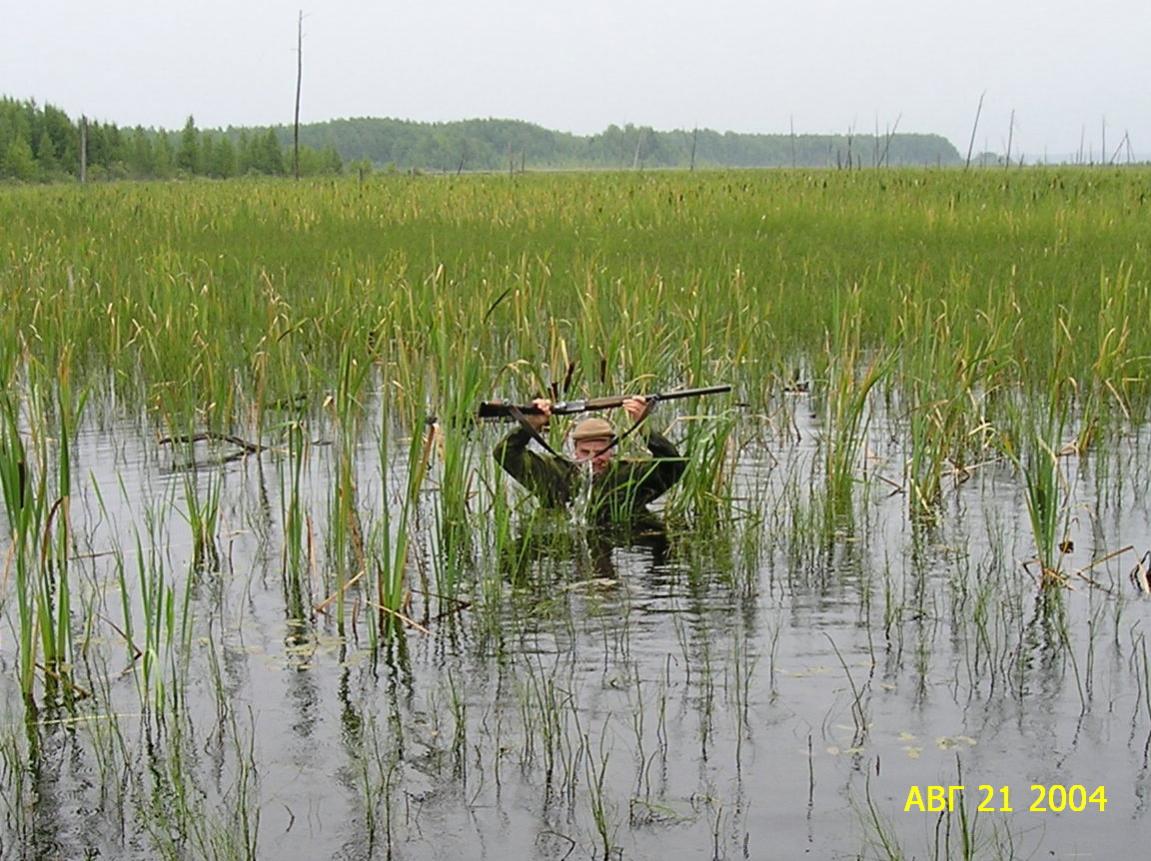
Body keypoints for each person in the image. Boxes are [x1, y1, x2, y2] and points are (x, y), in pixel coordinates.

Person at [493, 395, 685, 521]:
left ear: (612, 451)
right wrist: (530, 426)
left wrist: (644, 428)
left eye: (602, 451)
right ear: (574, 450)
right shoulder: (554, 473)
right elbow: (505, 454)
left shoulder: (630, 476)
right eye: (586, 452)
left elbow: (674, 467)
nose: (594, 459)